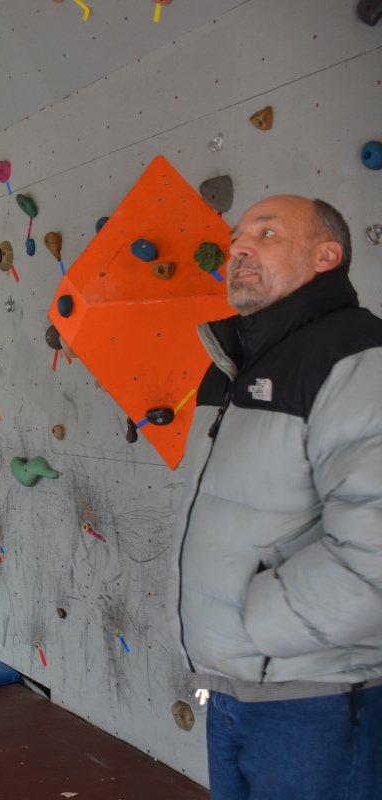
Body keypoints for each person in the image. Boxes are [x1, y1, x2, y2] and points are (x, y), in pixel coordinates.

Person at [167, 195, 382, 799]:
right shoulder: (231, 364)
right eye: (237, 237)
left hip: (320, 702)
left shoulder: (356, 357)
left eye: (267, 233)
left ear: (326, 256)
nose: (240, 247)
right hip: (238, 690)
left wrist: (257, 621)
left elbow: (376, 551)